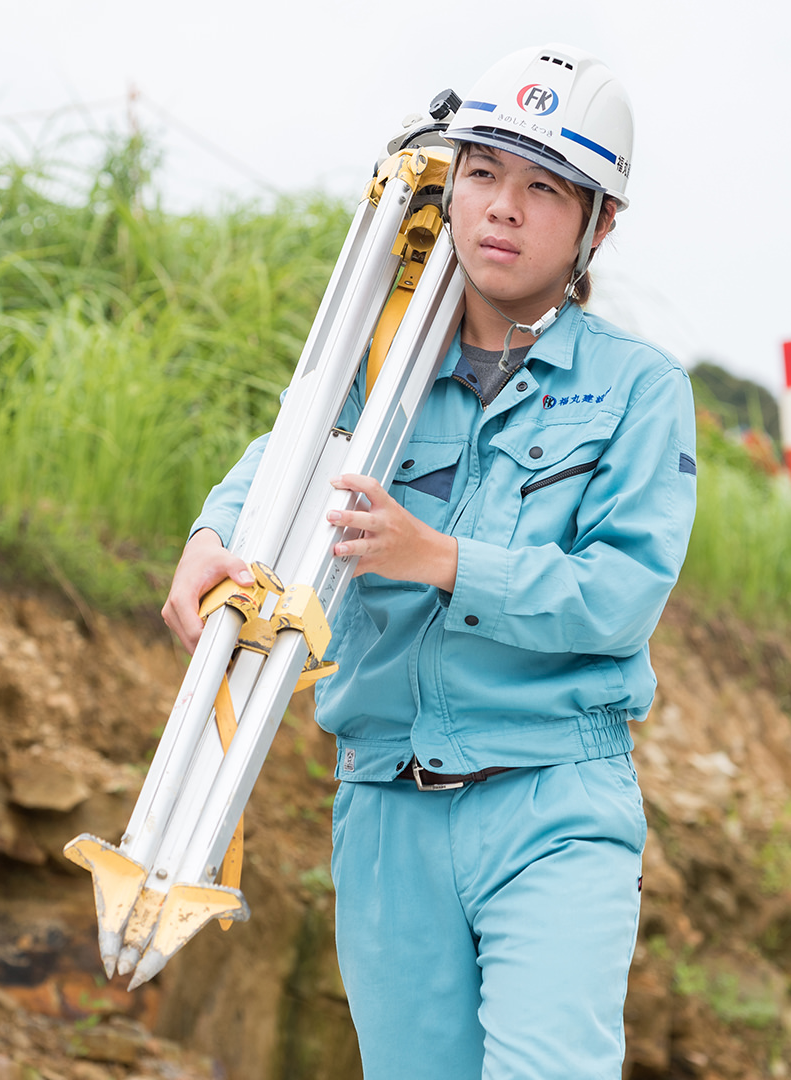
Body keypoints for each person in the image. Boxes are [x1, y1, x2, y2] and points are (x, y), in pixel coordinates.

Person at [161, 42, 696, 1080]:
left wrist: (441, 558)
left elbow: (619, 598)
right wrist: (209, 539)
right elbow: (287, 455)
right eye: (485, 173)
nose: (503, 207)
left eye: (545, 189)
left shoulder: (637, 391)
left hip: (553, 799)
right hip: (386, 804)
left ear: (599, 222)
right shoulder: (384, 363)